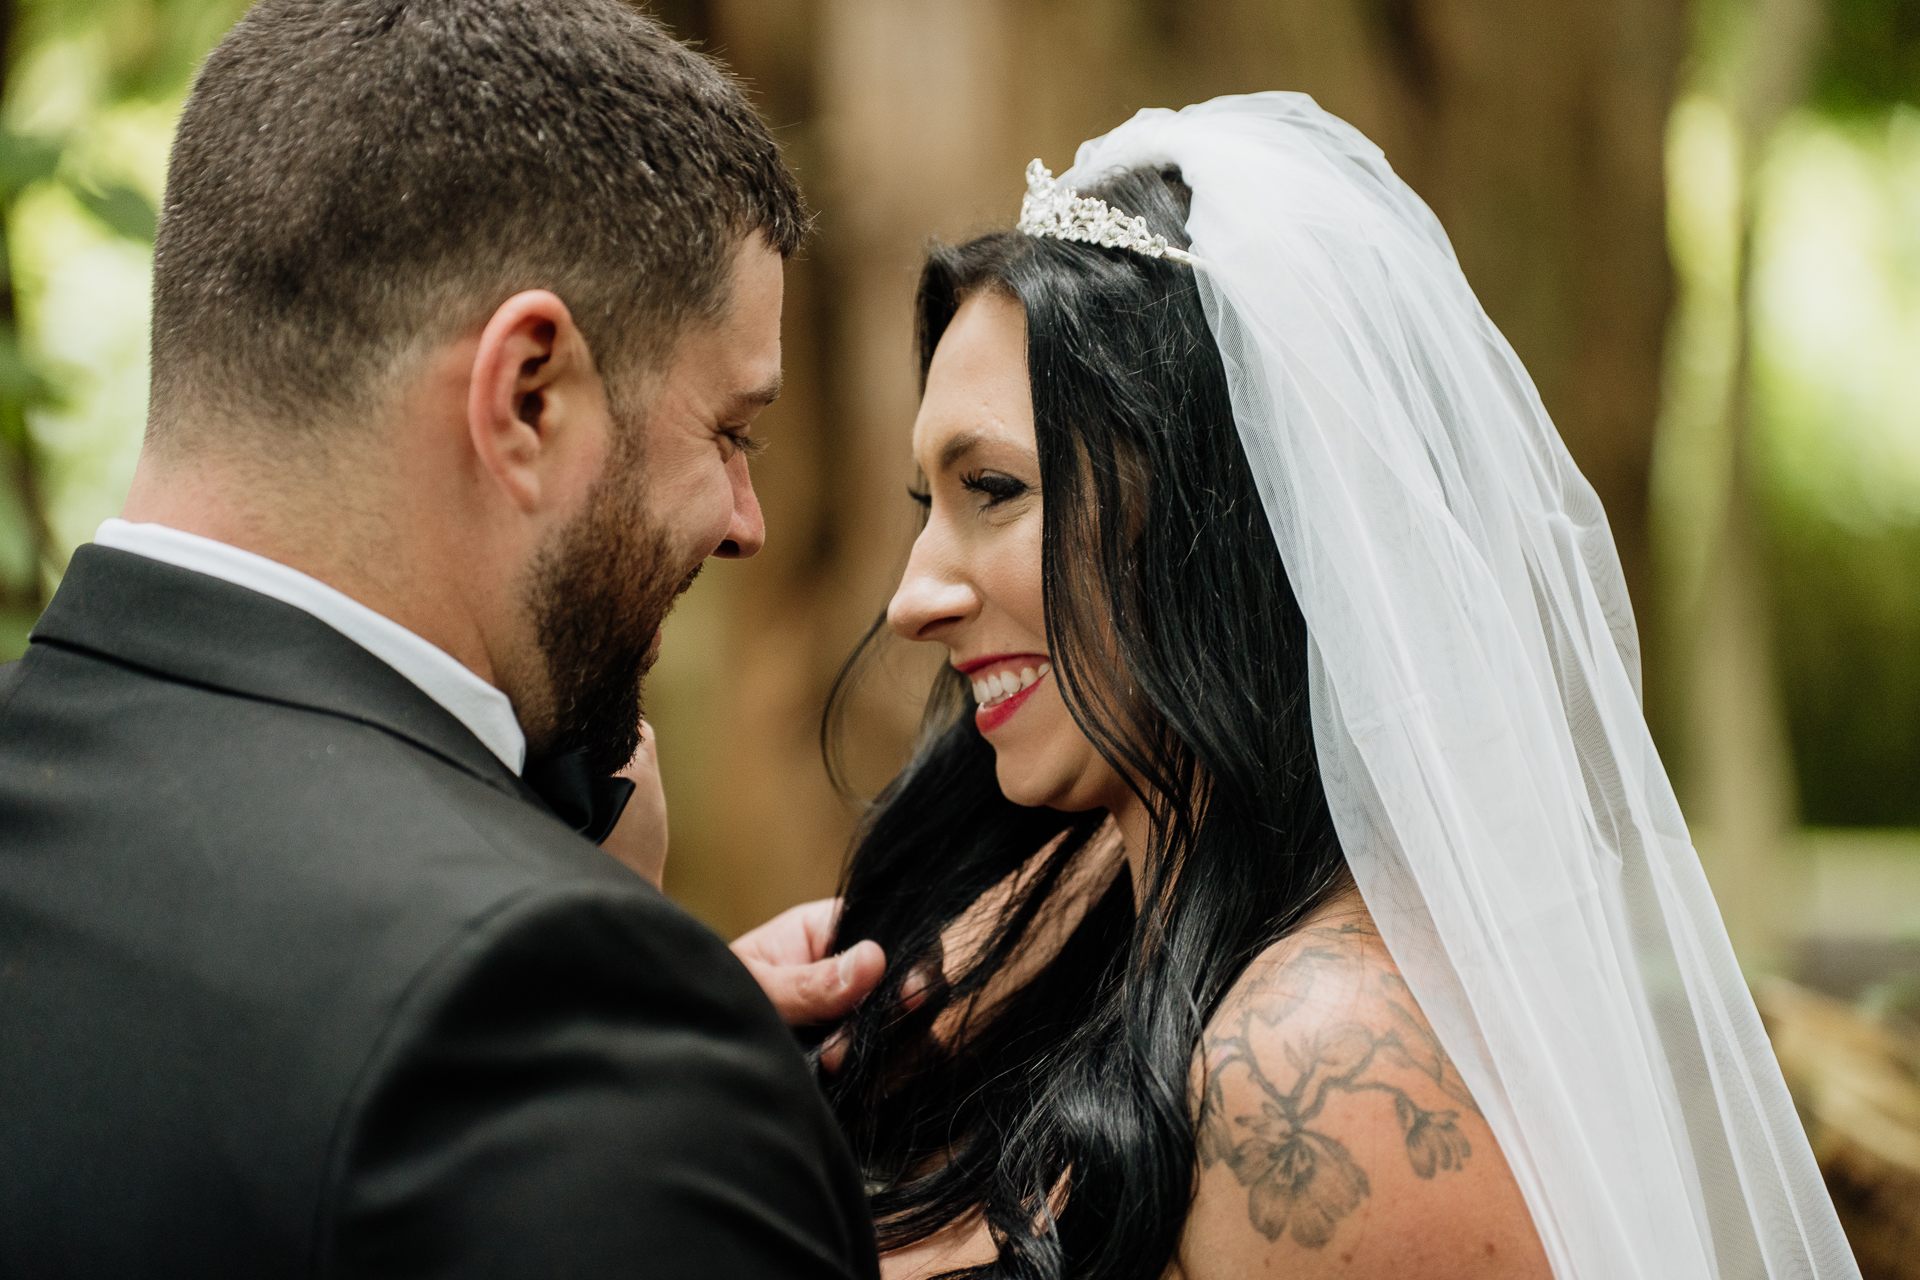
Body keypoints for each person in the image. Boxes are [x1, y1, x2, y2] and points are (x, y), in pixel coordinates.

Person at [815, 95, 1859, 1280]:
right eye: (929, 506)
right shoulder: (1073, 930)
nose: (913, 598)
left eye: (993, 489)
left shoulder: (1319, 1068)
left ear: (1225, 517)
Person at [0, 1, 884, 1275]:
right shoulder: (558, 1023)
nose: (745, 521)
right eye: (732, 431)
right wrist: (660, 1065)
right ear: (528, 394)